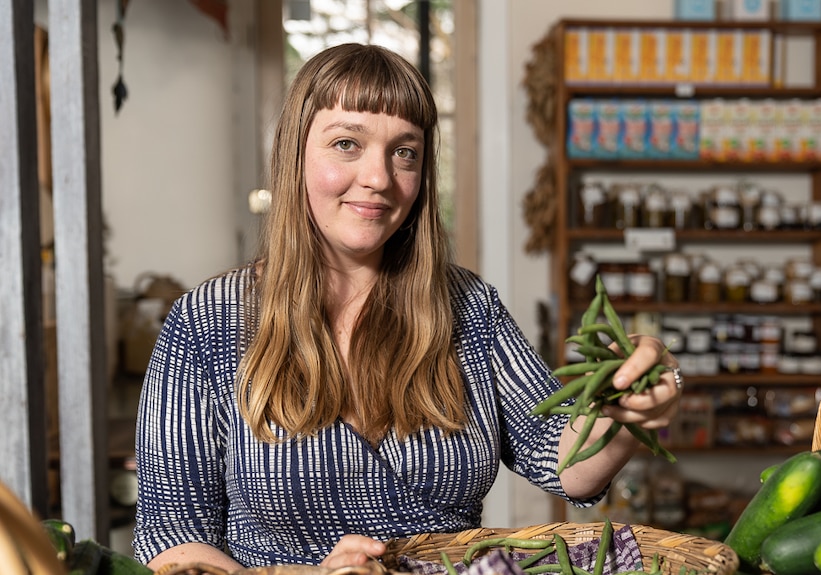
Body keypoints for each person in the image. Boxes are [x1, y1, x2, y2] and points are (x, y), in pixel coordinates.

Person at [132, 43, 681, 571]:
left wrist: (622, 406)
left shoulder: (469, 307)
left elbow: (560, 462)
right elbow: (170, 537)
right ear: (293, 154)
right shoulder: (208, 320)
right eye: (347, 143)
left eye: (405, 152)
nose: (378, 178)